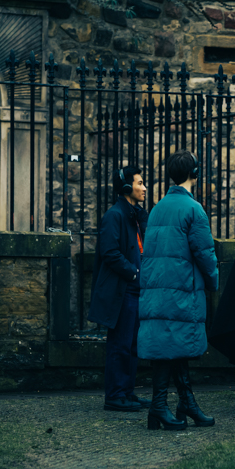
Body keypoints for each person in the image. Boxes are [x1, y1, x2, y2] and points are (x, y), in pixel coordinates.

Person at [137, 150, 219, 430]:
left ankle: (182, 403)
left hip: (157, 288)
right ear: (195, 173)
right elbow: (205, 253)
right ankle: (162, 406)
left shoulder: (158, 208)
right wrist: (213, 281)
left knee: (172, 345)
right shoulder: (193, 209)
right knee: (172, 345)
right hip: (181, 288)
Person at [87, 165, 149, 413]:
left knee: (132, 345)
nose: (144, 188)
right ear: (126, 187)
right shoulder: (114, 215)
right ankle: (115, 395)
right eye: (140, 183)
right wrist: (134, 272)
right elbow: (110, 252)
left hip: (134, 290)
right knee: (120, 344)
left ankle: (127, 393)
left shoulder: (134, 215)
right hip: (123, 290)